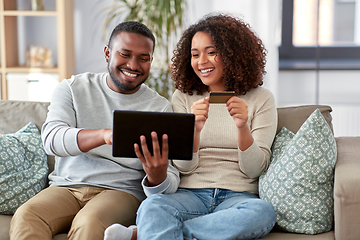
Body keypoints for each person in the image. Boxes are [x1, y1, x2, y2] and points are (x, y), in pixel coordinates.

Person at [9, 21, 180, 240]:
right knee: (27, 214)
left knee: (88, 223)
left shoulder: (160, 107)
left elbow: (173, 177)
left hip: (122, 192)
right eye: (125, 54)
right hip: (67, 187)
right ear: (108, 53)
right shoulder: (72, 88)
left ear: (151, 61)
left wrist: (158, 177)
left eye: (143, 58)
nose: (133, 64)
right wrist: (104, 135)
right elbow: (51, 138)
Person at [134, 13, 278, 240]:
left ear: (233, 54)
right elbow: (183, 168)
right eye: (195, 54)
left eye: (211, 52)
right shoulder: (183, 98)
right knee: (153, 207)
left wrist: (242, 128)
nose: (201, 61)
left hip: (238, 198)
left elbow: (255, 169)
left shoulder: (261, 99)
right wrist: (194, 130)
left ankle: (169, 231)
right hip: (190, 195)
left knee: (263, 212)